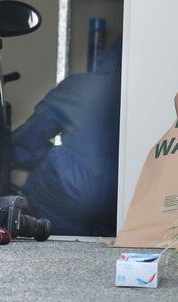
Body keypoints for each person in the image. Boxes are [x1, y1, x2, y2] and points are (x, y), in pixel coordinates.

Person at [11, 36, 122, 236]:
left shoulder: (77, 87)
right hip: (118, 204)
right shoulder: (148, 96)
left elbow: (29, 140)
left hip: (64, 196)